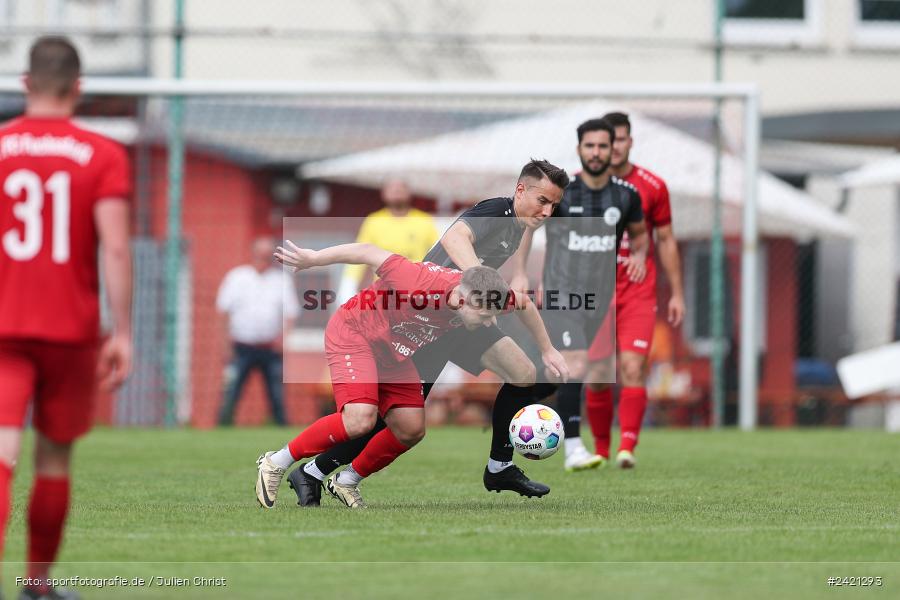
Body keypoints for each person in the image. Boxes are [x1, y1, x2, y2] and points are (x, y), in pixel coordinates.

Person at [287, 159, 571, 506]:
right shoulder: (497, 211)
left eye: (554, 205)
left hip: (465, 318)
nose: (547, 211)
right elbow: (455, 236)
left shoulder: (520, 224)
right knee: (394, 418)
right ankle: (315, 470)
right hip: (432, 317)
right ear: (521, 190)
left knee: (524, 373)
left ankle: (499, 466)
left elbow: (521, 291)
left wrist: (547, 348)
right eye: (543, 201)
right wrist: (478, 283)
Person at [0, 36, 133, 599]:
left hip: (3, 326)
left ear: (25, 83)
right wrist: (122, 330)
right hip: (71, 329)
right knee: (53, 457)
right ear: (79, 87)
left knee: (2, 452)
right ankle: (37, 587)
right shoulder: (103, 154)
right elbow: (117, 248)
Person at [257, 240, 530, 509]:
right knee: (359, 420)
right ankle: (276, 461)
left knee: (411, 428)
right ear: (462, 298)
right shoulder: (417, 282)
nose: (489, 323)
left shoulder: (487, 297)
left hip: (392, 350)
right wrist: (314, 259)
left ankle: (347, 480)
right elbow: (367, 251)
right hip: (355, 332)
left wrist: (549, 350)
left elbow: (523, 304)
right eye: (484, 316)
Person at [511, 118, 650, 472]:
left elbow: (639, 234)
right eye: (590, 146)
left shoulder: (626, 195)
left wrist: (638, 253)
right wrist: (521, 272)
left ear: (613, 148)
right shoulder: (564, 194)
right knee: (576, 365)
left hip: (598, 299)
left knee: (575, 370)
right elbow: (529, 227)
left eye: (603, 145)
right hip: (561, 291)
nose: (597, 152)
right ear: (579, 150)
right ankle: (573, 447)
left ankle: (524, 412)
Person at [578, 111, 684, 469]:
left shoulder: (652, 186)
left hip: (637, 290)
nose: (615, 147)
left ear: (628, 142)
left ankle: (627, 448)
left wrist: (679, 294)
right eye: (609, 142)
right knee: (597, 374)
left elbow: (665, 240)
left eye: (620, 140)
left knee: (633, 366)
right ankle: (601, 450)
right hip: (595, 292)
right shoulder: (579, 186)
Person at [216, 237, 300, 426]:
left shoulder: (281, 280)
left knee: (277, 396)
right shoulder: (237, 277)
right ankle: (222, 427)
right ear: (252, 253)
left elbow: (291, 313)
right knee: (231, 392)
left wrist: (283, 340)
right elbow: (223, 313)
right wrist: (225, 345)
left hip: (270, 348)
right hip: (241, 347)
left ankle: (281, 430)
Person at [336, 179, 440, 303]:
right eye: (392, 189)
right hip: (384, 292)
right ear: (384, 194)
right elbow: (359, 252)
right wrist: (349, 283)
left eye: (401, 189)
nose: (397, 192)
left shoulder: (424, 220)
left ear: (409, 193)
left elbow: (438, 252)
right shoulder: (374, 221)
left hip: (418, 291)